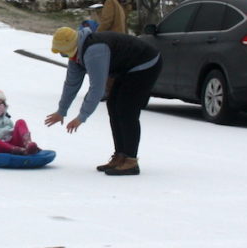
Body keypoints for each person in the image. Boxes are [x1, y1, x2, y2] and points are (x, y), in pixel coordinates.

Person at [45, 26, 162, 176]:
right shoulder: (75, 56)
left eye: (63, 53)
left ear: (71, 47)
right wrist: (61, 111)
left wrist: (82, 116)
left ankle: (130, 161)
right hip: (127, 68)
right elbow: (71, 84)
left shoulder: (94, 51)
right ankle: (120, 155)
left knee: (126, 109)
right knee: (113, 105)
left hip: (146, 64)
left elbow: (97, 88)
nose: (64, 56)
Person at [0, 88, 39, 159]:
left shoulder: (6, 118)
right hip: (1, 146)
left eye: (2, 102)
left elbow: (15, 131)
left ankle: (28, 144)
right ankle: (20, 150)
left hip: (13, 141)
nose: (0, 105)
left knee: (20, 121)